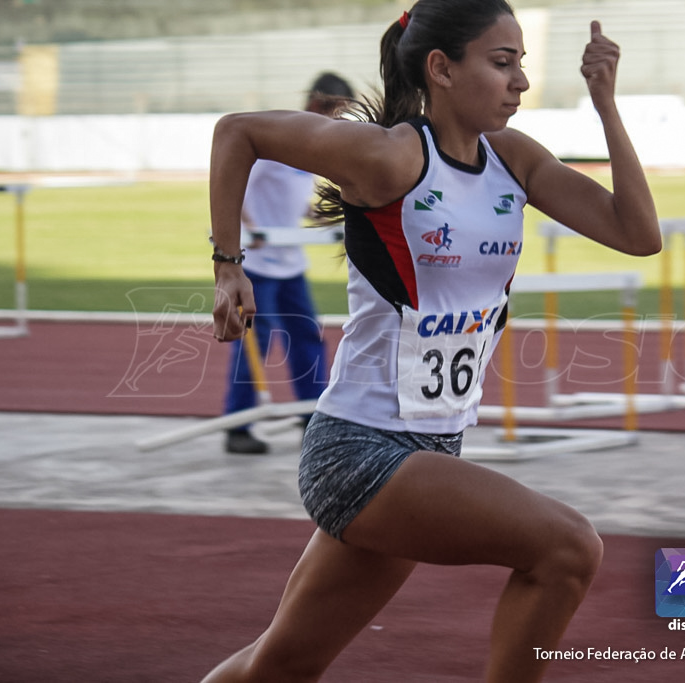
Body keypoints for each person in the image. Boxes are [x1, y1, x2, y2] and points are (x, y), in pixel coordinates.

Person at [205, 0, 660, 680]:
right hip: (360, 450)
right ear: (442, 68)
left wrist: (605, 105)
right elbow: (236, 133)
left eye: (521, 65)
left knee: (279, 665)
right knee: (568, 547)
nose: (520, 83)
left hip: (434, 445)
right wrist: (228, 264)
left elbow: (637, 233)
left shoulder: (514, 161)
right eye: (502, 64)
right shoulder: (390, 158)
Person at [221, 73, 354, 455]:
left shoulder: (311, 146)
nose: (339, 122)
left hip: (290, 262)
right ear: (317, 104)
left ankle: (312, 417)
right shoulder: (276, 139)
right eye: (336, 112)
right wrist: (250, 227)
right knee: (254, 343)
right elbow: (237, 182)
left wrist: (320, 216)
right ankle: (239, 425)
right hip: (260, 262)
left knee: (306, 338)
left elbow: (293, 198)